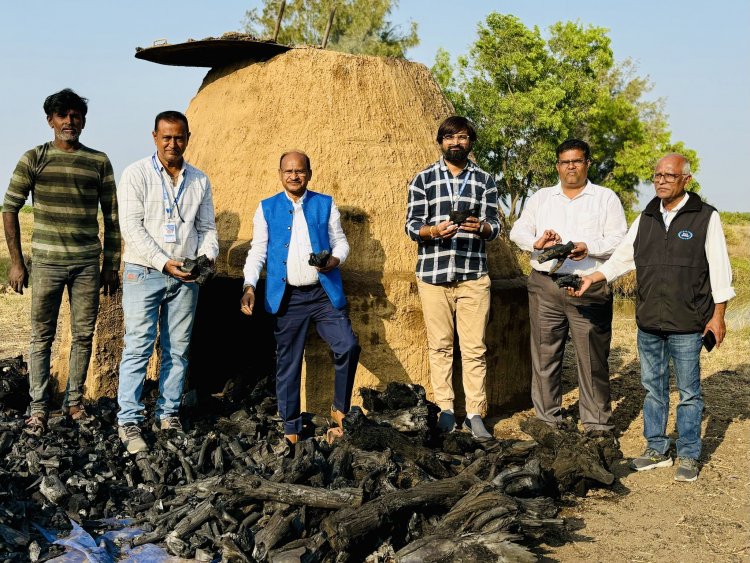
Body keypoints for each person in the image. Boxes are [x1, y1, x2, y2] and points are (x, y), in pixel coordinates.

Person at [571, 153, 735, 482]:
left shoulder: (705, 217)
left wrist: (717, 317)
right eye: (657, 175)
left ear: (686, 180)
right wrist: (594, 277)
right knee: (652, 389)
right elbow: (622, 258)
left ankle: (688, 453)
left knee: (689, 392)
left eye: (668, 176)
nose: (660, 181)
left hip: (688, 324)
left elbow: (720, 272)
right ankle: (656, 449)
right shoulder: (646, 216)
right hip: (649, 323)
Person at [2, 88, 121, 435]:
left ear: (83, 120)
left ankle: (74, 404)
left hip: (86, 263)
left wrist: (111, 262)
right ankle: (37, 409)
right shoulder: (34, 158)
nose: (70, 121)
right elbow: (10, 207)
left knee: (84, 335)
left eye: (76, 115)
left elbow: (111, 216)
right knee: (41, 336)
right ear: (50, 120)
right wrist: (16, 262)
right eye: (63, 115)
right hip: (46, 263)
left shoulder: (98, 161)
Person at [240, 151, 360, 444]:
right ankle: (291, 427)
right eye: (288, 171)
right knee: (288, 363)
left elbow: (340, 241)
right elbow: (258, 251)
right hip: (288, 297)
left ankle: (339, 409)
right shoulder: (266, 208)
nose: (294, 176)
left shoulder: (325, 204)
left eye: (300, 171)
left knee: (348, 346)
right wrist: (249, 285)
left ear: (309, 173)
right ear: (280, 174)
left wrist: (334, 260)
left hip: (322, 294)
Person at [116, 111, 218, 454]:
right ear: (154, 137)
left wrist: (205, 258)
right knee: (139, 346)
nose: (172, 144)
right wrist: (164, 262)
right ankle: (128, 420)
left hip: (185, 277)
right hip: (145, 271)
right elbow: (131, 227)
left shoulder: (199, 180)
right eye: (166, 137)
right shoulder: (136, 174)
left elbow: (207, 229)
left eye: (179, 137)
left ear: (188, 137)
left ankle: (168, 414)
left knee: (178, 348)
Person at [509, 139, 627, 434]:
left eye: (577, 161)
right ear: (557, 166)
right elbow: (518, 231)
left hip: (588, 285)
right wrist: (535, 243)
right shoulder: (542, 198)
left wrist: (590, 248)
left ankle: (596, 422)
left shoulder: (605, 198)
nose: (570, 167)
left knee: (592, 358)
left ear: (588, 163)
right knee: (545, 353)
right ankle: (548, 420)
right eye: (565, 162)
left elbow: (619, 242)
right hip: (545, 285)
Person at [405, 115, 502, 441]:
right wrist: (434, 230)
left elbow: (495, 225)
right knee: (441, 347)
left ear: (470, 142)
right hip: (433, 276)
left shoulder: (485, 181)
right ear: (441, 142)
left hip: (473, 275)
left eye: (462, 137)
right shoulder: (423, 180)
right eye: (449, 137)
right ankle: (446, 410)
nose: (455, 143)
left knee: (474, 348)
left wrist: (482, 227)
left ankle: (475, 413)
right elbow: (411, 226)